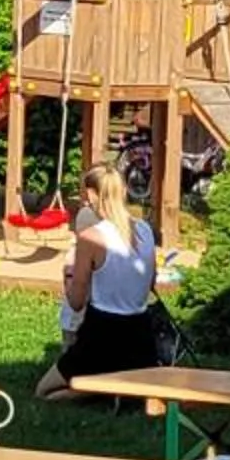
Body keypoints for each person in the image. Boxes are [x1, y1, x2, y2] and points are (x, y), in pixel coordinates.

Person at [39, 159, 160, 400]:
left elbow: (76, 301)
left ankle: (97, 390)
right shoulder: (145, 229)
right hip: (141, 334)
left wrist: (71, 280)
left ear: (93, 195)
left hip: (102, 333)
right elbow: (151, 281)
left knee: (44, 392)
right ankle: (114, 388)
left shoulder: (92, 237)